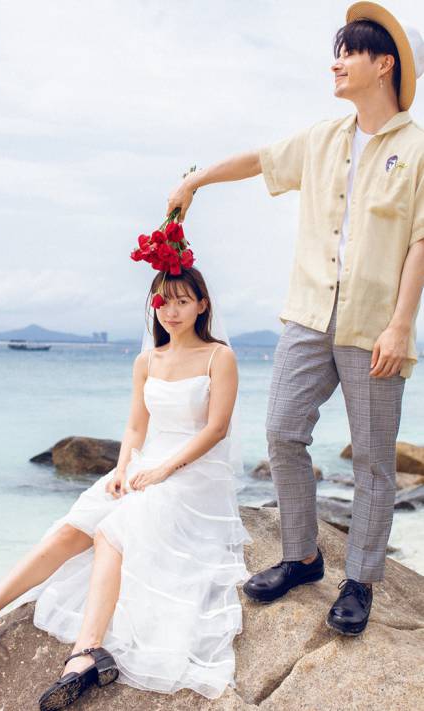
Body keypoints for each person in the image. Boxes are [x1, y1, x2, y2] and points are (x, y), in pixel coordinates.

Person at [166, 2, 424, 637]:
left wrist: (400, 325)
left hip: (374, 325)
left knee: (372, 460)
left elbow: (421, 241)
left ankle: (359, 581)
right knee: (282, 431)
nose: (335, 62)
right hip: (308, 314)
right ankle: (302, 557)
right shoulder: (322, 138)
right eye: (336, 51)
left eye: (348, 51)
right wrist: (195, 181)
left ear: (383, 64)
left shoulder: (417, 149)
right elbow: (259, 160)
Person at [0, 266, 253, 710]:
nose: (171, 311)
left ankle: (86, 651)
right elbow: (135, 427)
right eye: (163, 301)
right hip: (144, 465)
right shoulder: (147, 361)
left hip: (193, 474)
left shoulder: (219, 357)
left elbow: (216, 429)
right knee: (72, 528)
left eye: (183, 301)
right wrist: (122, 469)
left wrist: (163, 471)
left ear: (202, 305)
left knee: (110, 533)